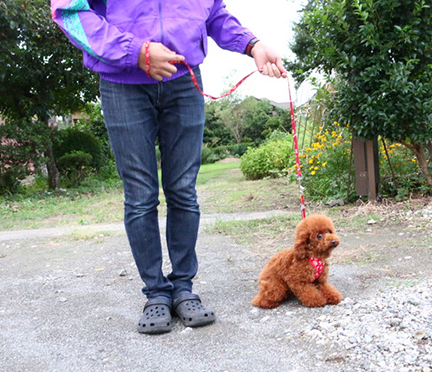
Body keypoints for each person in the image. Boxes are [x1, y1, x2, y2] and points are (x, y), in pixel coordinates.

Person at [51, 0, 287, 334]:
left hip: (184, 80)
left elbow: (214, 13)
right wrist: (135, 52)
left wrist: (253, 44)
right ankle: (155, 293)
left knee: (183, 191)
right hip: (123, 82)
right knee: (140, 195)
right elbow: (70, 12)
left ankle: (183, 288)